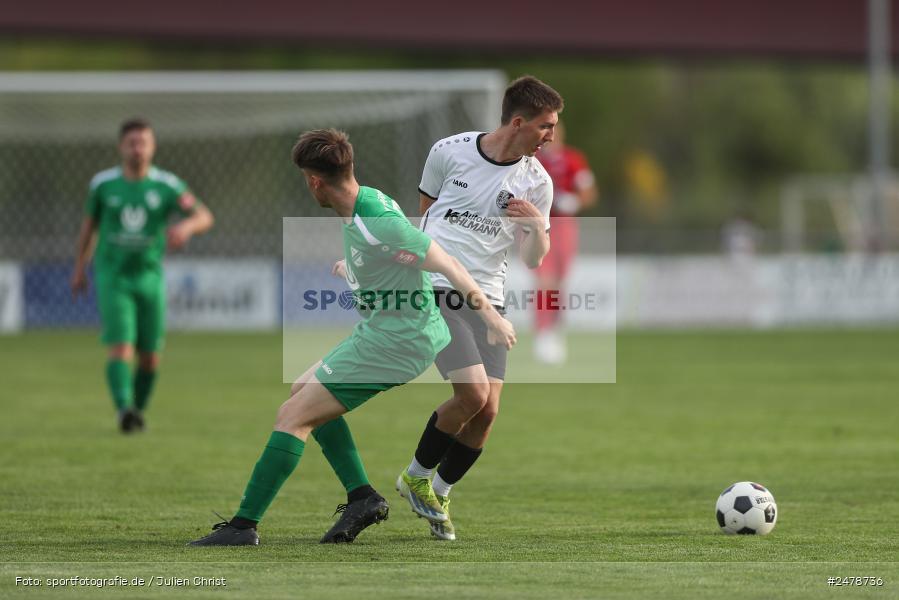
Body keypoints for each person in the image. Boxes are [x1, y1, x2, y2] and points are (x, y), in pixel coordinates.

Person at [189, 128, 516, 546]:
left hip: (397, 340)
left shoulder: (375, 220)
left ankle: (242, 526)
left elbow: (445, 261)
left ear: (314, 181)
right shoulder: (366, 202)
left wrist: (491, 317)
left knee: (292, 418)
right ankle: (361, 497)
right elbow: (387, 254)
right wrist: (354, 267)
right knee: (301, 391)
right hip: (387, 330)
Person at [395, 76, 562, 541]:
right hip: (438, 286)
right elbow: (426, 214)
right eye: (546, 126)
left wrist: (537, 229)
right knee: (472, 396)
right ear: (518, 122)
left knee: (487, 414)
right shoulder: (449, 151)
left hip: (491, 296)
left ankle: (439, 494)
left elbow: (534, 259)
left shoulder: (538, 182)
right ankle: (413, 477)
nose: (551, 134)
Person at [71, 118, 214, 433]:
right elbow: (88, 229)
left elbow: (204, 216)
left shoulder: (167, 185)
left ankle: (136, 411)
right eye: (132, 143)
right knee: (122, 346)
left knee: (150, 357)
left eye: (143, 143)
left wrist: (187, 227)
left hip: (150, 278)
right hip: (113, 276)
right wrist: (80, 267)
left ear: (153, 147)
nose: (138, 149)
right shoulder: (103, 185)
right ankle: (123, 409)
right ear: (121, 147)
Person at [533, 120, 598, 364]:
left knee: (559, 283)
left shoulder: (573, 159)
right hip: (538, 225)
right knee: (544, 280)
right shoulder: (533, 160)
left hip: (565, 226)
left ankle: (555, 330)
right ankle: (543, 333)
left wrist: (575, 201)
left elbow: (589, 192)